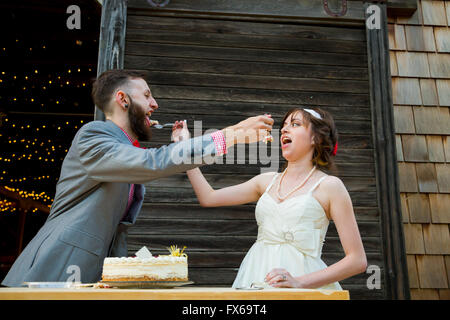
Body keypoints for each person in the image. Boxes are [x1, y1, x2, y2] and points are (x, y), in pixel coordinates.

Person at [1, 69, 274, 287]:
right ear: (123, 99)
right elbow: (153, 162)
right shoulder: (93, 136)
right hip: (54, 273)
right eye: (146, 95)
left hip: (94, 280)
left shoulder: (124, 148)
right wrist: (229, 135)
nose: (154, 104)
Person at [176, 107, 367, 290]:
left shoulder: (330, 186)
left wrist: (299, 282)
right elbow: (209, 197)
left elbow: (357, 260)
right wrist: (184, 147)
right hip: (255, 275)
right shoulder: (265, 181)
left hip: (304, 285)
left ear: (315, 137)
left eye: (295, 124)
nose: (284, 128)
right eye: (284, 125)